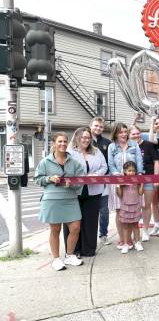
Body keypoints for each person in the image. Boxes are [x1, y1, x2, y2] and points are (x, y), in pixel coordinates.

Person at [34, 132, 84, 271]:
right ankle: (56, 259)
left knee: (75, 228)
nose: (62, 144)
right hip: (52, 199)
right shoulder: (45, 161)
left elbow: (81, 180)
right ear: (54, 143)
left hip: (70, 198)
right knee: (55, 229)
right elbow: (37, 179)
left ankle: (69, 256)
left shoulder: (74, 162)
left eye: (64, 142)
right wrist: (49, 178)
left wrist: (72, 184)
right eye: (60, 141)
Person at [65, 127, 107, 257]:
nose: (86, 140)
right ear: (77, 137)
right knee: (73, 222)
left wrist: (95, 174)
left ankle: (88, 250)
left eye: (88, 137)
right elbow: (65, 168)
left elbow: (104, 166)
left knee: (90, 221)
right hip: (74, 192)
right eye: (83, 137)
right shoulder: (70, 152)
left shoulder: (96, 151)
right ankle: (74, 250)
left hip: (93, 191)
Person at [108, 123, 144, 249]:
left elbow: (139, 161)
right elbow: (111, 165)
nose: (123, 134)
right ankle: (123, 240)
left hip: (133, 183)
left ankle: (133, 240)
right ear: (115, 134)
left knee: (133, 211)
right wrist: (119, 176)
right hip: (118, 182)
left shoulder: (134, 144)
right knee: (120, 211)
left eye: (125, 132)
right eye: (120, 132)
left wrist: (138, 176)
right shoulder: (112, 147)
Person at [129, 124, 159, 242]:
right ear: (129, 135)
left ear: (140, 133)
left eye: (137, 133)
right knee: (133, 206)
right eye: (133, 134)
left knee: (146, 205)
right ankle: (133, 231)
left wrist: (156, 178)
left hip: (148, 178)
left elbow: (156, 161)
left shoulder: (148, 145)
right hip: (132, 180)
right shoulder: (128, 146)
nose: (136, 136)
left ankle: (145, 230)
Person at [90, 116, 112, 246]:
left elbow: (109, 163)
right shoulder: (84, 140)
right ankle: (89, 235)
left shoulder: (107, 143)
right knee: (90, 210)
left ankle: (103, 234)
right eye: (96, 126)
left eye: (101, 126)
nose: (98, 128)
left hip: (103, 181)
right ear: (91, 126)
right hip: (87, 182)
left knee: (104, 210)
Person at [117, 161, 144, 253]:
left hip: (135, 205)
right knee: (125, 226)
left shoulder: (137, 181)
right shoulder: (122, 181)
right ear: (125, 171)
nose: (131, 172)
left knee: (136, 225)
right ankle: (125, 244)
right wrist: (118, 186)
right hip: (125, 206)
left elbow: (140, 193)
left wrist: (142, 184)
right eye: (129, 171)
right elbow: (120, 195)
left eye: (133, 171)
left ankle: (137, 242)